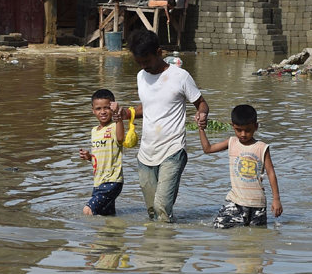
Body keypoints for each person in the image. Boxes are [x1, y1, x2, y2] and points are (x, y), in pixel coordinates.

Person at [118, 29, 208, 223]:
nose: (143, 66)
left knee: (162, 208)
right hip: (146, 153)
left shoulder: (180, 76)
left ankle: (167, 250)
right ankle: (154, 250)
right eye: (139, 62)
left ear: (159, 53)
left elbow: (201, 102)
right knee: (152, 212)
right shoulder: (141, 76)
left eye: (147, 61)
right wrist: (127, 113)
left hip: (173, 151)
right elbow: (150, 106)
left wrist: (202, 115)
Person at [199, 104, 282, 228]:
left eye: (248, 130)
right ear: (233, 126)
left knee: (256, 238)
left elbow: (271, 173)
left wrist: (276, 199)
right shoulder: (231, 142)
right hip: (235, 200)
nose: (243, 134)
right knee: (219, 228)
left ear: (256, 127)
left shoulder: (262, 147)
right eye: (239, 130)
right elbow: (208, 149)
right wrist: (201, 129)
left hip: (257, 203)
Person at [79, 89, 125, 216]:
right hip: (98, 181)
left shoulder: (115, 126)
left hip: (112, 181)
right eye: (98, 108)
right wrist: (89, 157)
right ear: (93, 110)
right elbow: (99, 157)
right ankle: (112, 234)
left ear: (112, 107)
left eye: (106, 107)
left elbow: (121, 139)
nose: (103, 111)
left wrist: (118, 116)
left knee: (88, 210)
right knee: (107, 217)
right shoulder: (94, 131)